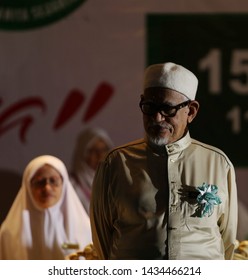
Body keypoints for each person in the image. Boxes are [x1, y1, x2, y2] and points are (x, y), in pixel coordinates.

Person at [90, 62, 238, 260]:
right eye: (149, 107)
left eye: (168, 109)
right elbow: (102, 245)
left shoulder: (218, 163)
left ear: (191, 111)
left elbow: (227, 243)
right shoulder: (115, 163)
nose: (157, 118)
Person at [0, 155, 92, 260]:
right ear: (28, 186)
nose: (47, 188)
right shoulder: (9, 232)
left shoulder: (85, 228)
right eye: (39, 182)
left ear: (64, 184)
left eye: (53, 181)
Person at [70, 127, 113, 215]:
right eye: (94, 151)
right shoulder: (70, 185)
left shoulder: (115, 181)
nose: (100, 155)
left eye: (104, 150)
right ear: (83, 153)